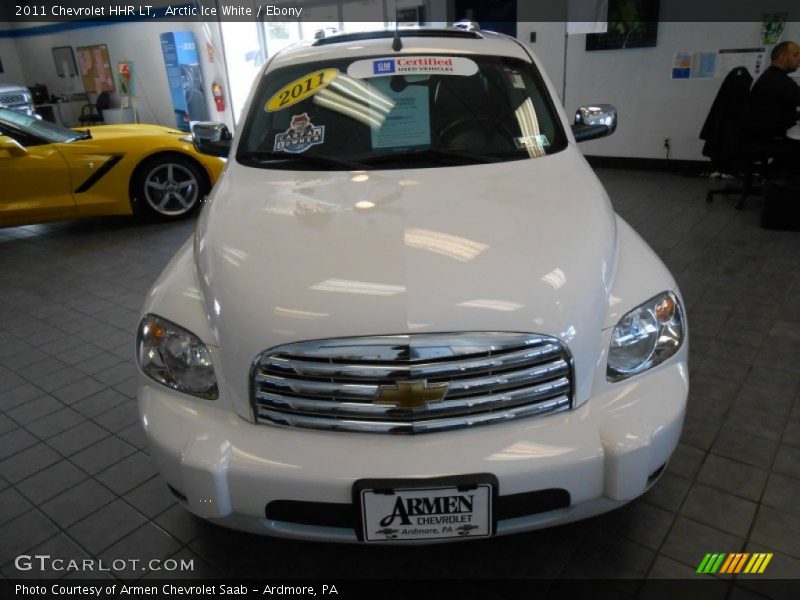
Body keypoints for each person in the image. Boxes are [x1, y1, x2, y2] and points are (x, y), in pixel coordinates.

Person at [748, 41, 800, 172]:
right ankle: (782, 180)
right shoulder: (778, 80)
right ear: (782, 57)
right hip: (768, 137)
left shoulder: (771, 77)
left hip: (763, 134)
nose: (799, 59)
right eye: (796, 55)